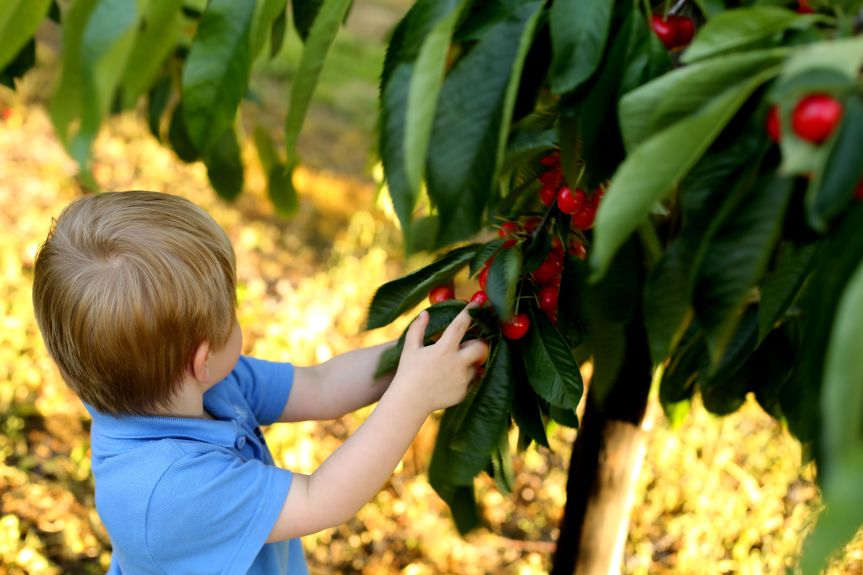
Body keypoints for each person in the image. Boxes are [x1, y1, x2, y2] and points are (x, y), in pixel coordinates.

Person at [32, 191, 488, 574]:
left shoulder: (190, 386)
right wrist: (414, 397)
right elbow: (321, 498)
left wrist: (415, 355)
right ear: (201, 359)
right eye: (232, 312)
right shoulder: (168, 490)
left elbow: (321, 385)